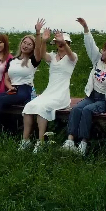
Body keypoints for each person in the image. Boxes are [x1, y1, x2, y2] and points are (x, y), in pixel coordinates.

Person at [61, 17, 106, 155]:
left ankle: (83, 143)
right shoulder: (98, 61)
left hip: (103, 100)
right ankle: (70, 141)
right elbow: (91, 46)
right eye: (102, 50)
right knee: (77, 108)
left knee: (87, 111)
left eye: (105, 51)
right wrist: (85, 28)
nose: (102, 52)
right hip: (92, 96)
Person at [20, 23, 77, 153]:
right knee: (29, 106)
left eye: (64, 41)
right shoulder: (52, 56)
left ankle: (40, 142)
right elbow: (40, 54)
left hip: (61, 94)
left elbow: (71, 55)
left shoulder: (71, 57)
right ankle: (25, 140)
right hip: (49, 92)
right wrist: (42, 38)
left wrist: (64, 42)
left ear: (68, 43)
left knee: (42, 108)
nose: (60, 44)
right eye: (58, 42)